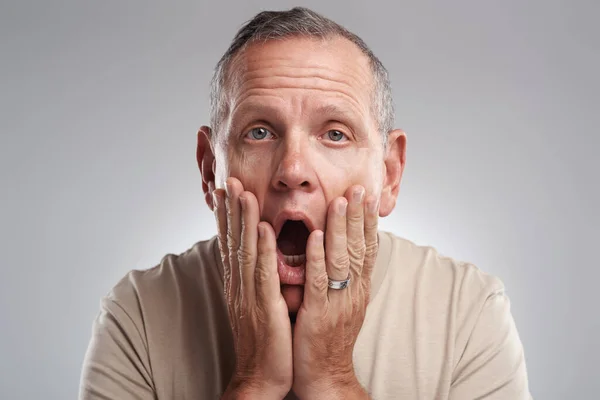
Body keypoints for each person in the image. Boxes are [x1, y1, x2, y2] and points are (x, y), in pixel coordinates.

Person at [79, 7, 531, 400]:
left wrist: (333, 382)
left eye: (335, 134)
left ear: (389, 174)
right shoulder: (136, 315)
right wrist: (253, 382)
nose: (293, 169)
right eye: (259, 132)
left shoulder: (469, 311)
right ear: (207, 169)